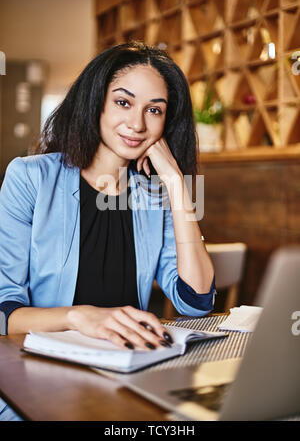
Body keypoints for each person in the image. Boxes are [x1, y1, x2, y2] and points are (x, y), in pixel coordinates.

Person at [0, 41, 215, 421]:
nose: (137, 124)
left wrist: (177, 185)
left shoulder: (154, 194)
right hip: (37, 385)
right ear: (95, 102)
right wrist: (78, 316)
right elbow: (5, 311)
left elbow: (194, 300)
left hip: (129, 383)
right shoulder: (31, 178)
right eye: (123, 102)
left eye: (154, 110)